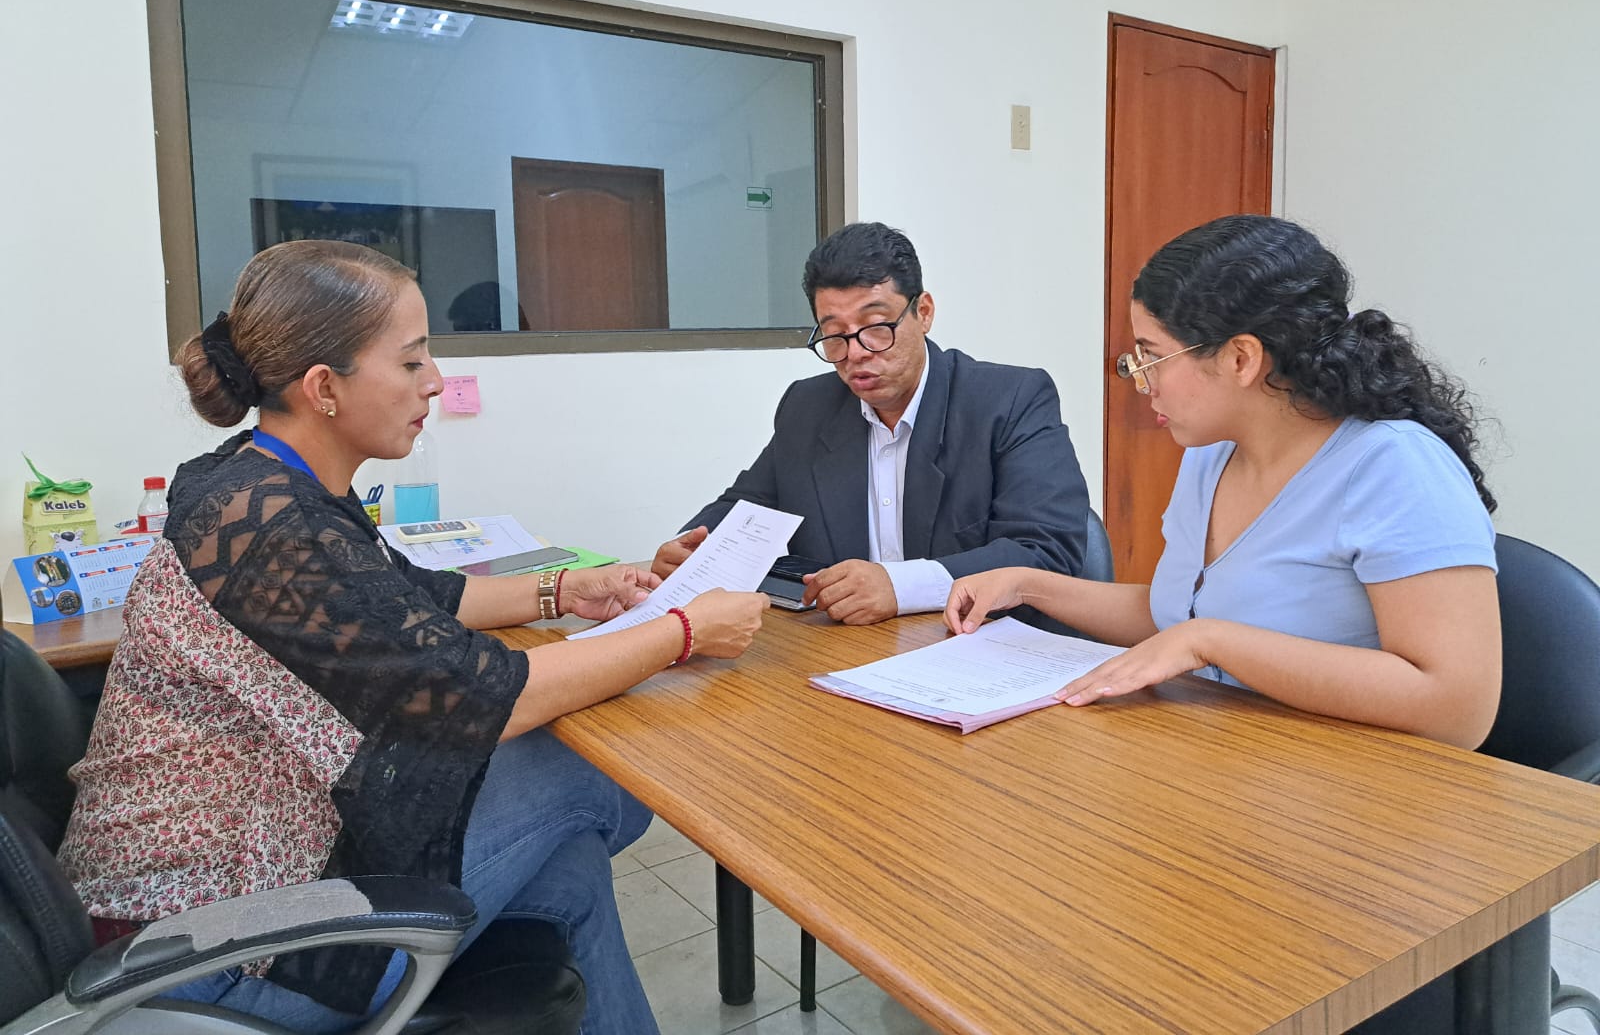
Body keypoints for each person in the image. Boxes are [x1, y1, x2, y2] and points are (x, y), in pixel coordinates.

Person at [58, 241, 769, 1035]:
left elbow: (414, 596)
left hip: (262, 865)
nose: (434, 380)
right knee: (590, 769)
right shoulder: (275, 530)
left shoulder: (258, 482)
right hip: (214, 940)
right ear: (325, 388)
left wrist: (568, 588)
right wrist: (683, 630)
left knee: (570, 870)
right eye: (410, 360)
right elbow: (484, 697)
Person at [946, 214, 1501, 750]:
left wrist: (1210, 642)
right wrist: (1027, 584)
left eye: (1153, 357)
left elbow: (1458, 711)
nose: (1142, 382)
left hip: (1357, 783)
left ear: (1241, 358)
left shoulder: (1395, 466)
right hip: (1229, 755)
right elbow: (1175, 616)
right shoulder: (1211, 454)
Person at [651, 221, 1092, 626]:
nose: (857, 352)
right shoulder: (808, 406)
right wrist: (694, 548)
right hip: (850, 650)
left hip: (979, 644)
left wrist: (899, 586)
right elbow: (748, 508)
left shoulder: (1009, 400)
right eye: (835, 334)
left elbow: (1048, 552)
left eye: (877, 326)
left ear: (923, 312)